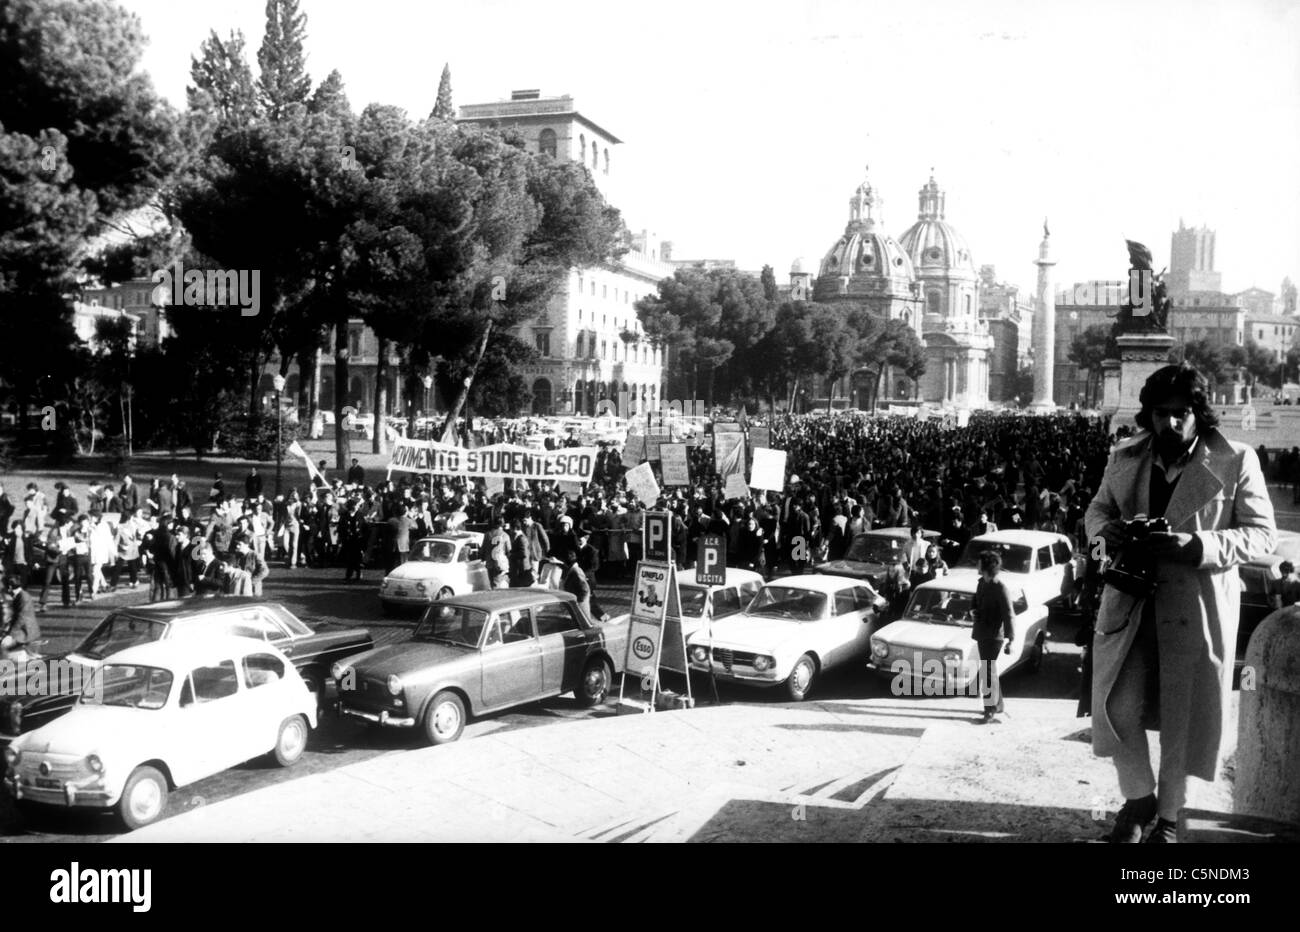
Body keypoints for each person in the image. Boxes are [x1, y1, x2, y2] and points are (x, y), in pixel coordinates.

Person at [1085, 363, 1276, 844]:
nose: (1170, 423)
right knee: (1117, 708)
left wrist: (1199, 547)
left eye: (1181, 413)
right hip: (1130, 604)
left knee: (1182, 720)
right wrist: (1105, 534)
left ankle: (1166, 821)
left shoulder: (1236, 459)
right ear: (1147, 414)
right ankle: (1139, 797)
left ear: (1199, 415)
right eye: (1160, 413)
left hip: (1197, 607)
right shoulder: (1125, 456)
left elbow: (1261, 535)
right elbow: (1097, 510)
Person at [970, 549, 1015, 724]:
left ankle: (989, 710)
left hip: (994, 636)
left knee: (987, 670)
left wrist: (1011, 639)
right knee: (990, 670)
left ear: (987, 566)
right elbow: (975, 600)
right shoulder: (982, 583)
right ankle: (998, 704)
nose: (977, 565)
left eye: (979, 562)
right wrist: (972, 609)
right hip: (982, 632)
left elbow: (1009, 614)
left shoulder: (1000, 587)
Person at [560, 549, 608, 624]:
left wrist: (578, 602)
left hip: (580, 605)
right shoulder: (572, 570)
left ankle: (603, 617)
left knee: (583, 623)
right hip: (577, 604)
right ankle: (603, 616)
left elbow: (585, 590)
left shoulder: (576, 571)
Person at [1, 574, 39, 662]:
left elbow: (21, 618)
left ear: (10, 587)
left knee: (3, 644)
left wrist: (10, 635)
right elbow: (15, 617)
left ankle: (8, 667)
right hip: (21, 629)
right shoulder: (19, 596)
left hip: (26, 631)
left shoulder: (23, 597)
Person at [484, 515, 511, 589]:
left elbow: (483, 548)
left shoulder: (487, 534)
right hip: (500, 563)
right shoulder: (505, 535)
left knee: (492, 582)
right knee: (497, 583)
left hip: (490, 561)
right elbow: (509, 551)